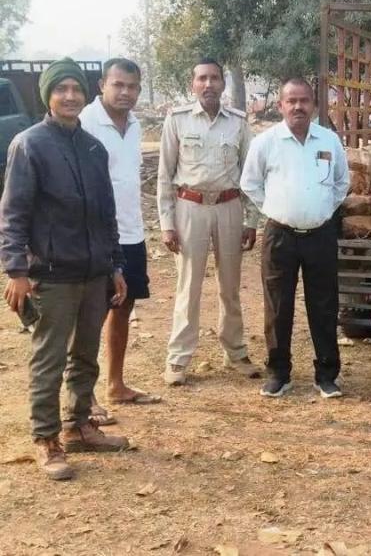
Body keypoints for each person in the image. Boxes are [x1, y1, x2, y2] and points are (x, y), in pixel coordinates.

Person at [0, 58, 130, 481]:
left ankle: (78, 427)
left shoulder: (93, 148)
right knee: (49, 359)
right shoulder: (29, 145)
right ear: (48, 96)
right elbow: (13, 214)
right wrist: (16, 271)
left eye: (76, 89)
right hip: (51, 274)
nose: (70, 96)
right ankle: (46, 438)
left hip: (94, 272)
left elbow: (107, 214)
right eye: (61, 89)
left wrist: (115, 265)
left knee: (85, 355)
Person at [240, 77, 349, 398]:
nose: (298, 106)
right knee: (278, 306)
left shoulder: (329, 141)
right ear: (280, 106)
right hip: (280, 235)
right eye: (291, 101)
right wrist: (274, 208)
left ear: (314, 105)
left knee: (324, 305)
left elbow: (342, 183)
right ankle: (279, 373)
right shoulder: (266, 142)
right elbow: (250, 183)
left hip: (321, 235)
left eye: (304, 100)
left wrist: (323, 209)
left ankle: (326, 375)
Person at [157, 58, 261, 386]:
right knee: (188, 286)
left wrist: (251, 220)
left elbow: (250, 175)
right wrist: (167, 223)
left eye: (214, 78)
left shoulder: (238, 122)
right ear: (193, 84)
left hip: (229, 207)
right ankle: (178, 358)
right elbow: (164, 175)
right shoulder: (177, 120)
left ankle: (236, 352)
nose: (208, 84)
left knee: (230, 286)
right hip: (190, 208)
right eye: (202, 78)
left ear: (223, 84)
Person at [80, 58, 161, 420]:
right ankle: (84, 396)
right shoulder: (85, 123)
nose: (125, 92)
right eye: (118, 85)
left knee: (123, 307)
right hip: (96, 236)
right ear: (102, 85)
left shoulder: (135, 125)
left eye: (132, 86)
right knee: (91, 316)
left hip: (131, 232)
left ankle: (116, 384)